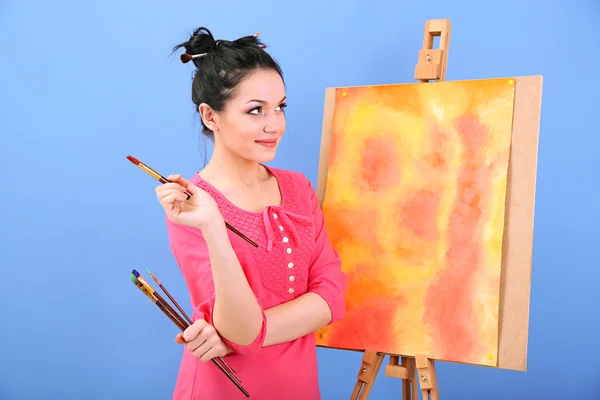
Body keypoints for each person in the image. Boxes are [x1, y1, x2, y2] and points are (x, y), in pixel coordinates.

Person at [154, 26, 347, 400]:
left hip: (297, 386)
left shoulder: (297, 188)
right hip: (222, 388)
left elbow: (332, 296)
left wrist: (234, 340)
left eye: (280, 107)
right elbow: (241, 328)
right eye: (256, 110)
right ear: (211, 116)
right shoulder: (192, 207)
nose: (274, 125)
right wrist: (212, 225)